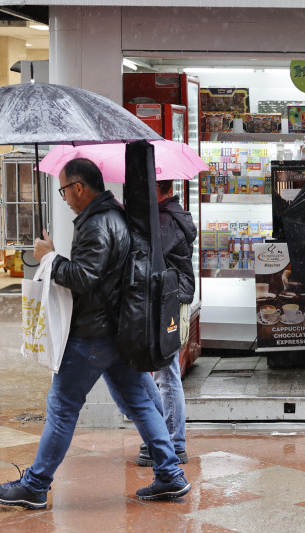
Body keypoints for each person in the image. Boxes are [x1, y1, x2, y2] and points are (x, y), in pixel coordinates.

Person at [0, 158, 190, 510]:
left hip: (93, 334)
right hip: (116, 330)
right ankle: (170, 475)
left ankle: (35, 486)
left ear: (79, 187)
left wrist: (50, 259)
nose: (63, 197)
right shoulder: (114, 215)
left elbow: (83, 277)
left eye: (64, 189)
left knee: (62, 408)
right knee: (141, 402)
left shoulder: (98, 223)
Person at [126, 179, 197, 468]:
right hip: (169, 298)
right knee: (161, 371)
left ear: (160, 189)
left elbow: (150, 258)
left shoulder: (166, 219)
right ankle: (164, 438)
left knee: (166, 373)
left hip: (167, 300)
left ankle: (172, 442)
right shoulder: (170, 215)